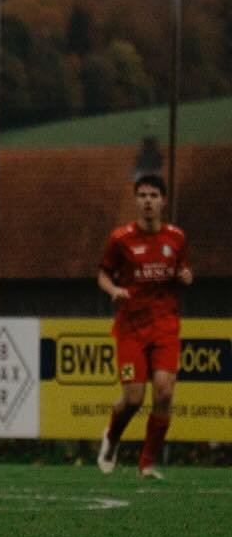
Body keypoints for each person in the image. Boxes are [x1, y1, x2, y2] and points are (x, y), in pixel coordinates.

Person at [95, 173, 192, 480]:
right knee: (133, 398)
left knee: (164, 392)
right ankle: (111, 439)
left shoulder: (176, 238)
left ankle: (147, 463)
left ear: (163, 201)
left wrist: (186, 277)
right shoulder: (120, 238)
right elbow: (103, 275)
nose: (148, 201)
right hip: (131, 327)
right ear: (136, 201)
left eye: (153, 195)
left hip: (165, 324)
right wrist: (114, 291)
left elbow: (183, 271)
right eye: (143, 195)